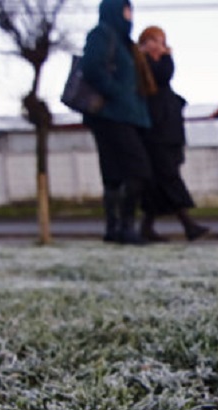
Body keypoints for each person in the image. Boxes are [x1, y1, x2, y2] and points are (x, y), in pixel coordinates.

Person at [80, 0, 157, 244]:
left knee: (114, 174)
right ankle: (124, 226)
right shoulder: (102, 34)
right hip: (111, 115)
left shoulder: (125, 42)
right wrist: (115, 91)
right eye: (126, 10)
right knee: (138, 170)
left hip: (126, 115)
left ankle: (114, 229)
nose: (130, 15)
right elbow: (91, 67)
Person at [137, 26, 210, 242]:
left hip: (169, 130)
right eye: (153, 41)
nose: (158, 46)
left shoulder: (164, 66)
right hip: (154, 132)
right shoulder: (140, 64)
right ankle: (188, 225)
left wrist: (165, 56)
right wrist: (150, 56)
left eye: (161, 41)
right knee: (167, 177)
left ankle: (147, 227)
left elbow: (166, 75)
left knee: (160, 180)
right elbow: (158, 76)